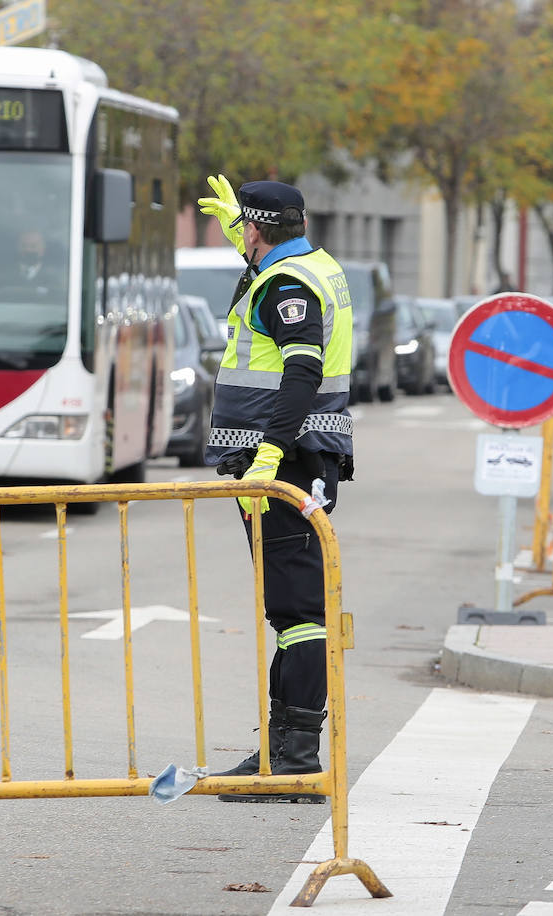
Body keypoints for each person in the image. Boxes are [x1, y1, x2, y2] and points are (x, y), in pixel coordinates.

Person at [196, 176, 354, 803]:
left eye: (244, 230)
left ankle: (295, 759)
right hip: (301, 460)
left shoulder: (284, 285)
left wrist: (268, 451)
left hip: (282, 466)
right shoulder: (311, 264)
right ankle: (285, 749)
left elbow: (303, 367)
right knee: (294, 610)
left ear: (259, 230)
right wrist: (251, 233)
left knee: (297, 613)